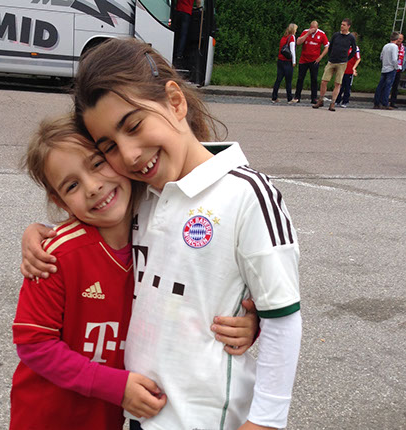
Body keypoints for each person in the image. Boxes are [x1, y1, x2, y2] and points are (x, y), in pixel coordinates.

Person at [24, 38, 302, 430]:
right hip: (142, 413)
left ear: (175, 101)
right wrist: (39, 233)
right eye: (110, 147)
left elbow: (282, 316)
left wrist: (267, 421)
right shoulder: (143, 196)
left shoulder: (247, 194)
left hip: (206, 419)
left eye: (134, 126)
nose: (129, 155)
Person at [12, 115, 259, 429]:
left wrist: (247, 325)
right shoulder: (53, 256)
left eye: (98, 164)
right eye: (72, 185)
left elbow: (197, 299)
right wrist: (116, 386)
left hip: (112, 417)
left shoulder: (160, 234)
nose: (93, 187)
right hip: (49, 419)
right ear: (58, 200)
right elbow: (34, 344)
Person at [313, 18, 357, 111]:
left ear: (348, 26)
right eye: (341, 24)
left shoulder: (351, 37)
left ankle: (333, 102)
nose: (342, 26)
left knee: (337, 83)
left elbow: (354, 50)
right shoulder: (336, 35)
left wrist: (347, 59)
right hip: (332, 61)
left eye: (344, 25)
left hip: (342, 63)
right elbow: (330, 46)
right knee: (324, 81)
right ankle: (320, 100)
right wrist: (330, 56)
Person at [291, 20, 330, 104]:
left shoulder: (321, 34)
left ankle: (314, 98)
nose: (312, 29)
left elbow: (327, 46)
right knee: (300, 78)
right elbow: (298, 42)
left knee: (314, 79)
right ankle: (297, 96)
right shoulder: (305, 32)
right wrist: (307, 34)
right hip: (304, 59)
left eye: (314, 28)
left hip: (314, 60)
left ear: (317, 27)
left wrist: (321, 57)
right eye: (311, 28)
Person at [271, 23, 297, 104]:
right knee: (288, 81)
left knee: (278, 79)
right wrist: (294, 61)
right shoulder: (291, 37)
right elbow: (292, 50)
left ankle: (274, 97)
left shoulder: (284, 37)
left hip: (280, 60)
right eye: (296, 29)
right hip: (287, 61)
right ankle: (289, 98)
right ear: (293, 30)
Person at [373, 31, 400, 110]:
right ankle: (385, 103)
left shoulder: (385, 46)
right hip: (391, 68)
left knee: (380, 86)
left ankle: (377, 102)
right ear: (397, 39)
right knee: (388, 87)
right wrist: (396, 67)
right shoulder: (395, 47)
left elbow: (381, 56)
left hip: (384, 68)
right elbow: (394, 59)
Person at [336, 32, 361, 108]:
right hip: (342, 68)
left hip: (349, 70)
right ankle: (337, 100)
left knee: (347, 86)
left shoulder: (355, 48)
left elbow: (358, 59)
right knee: (339, 85)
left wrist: (354, 68)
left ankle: (345, 101)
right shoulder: (344, 46)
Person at [173, 0, 195, 68]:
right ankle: (179, 56)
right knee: (183, 35)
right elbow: (198, 2)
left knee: (176, 33)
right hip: (187, 12)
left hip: (178, 10)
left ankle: (173, 51)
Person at [390, 33, 404, 109]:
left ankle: (393, 102)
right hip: (391, 68)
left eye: (401, 39)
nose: (399, 40)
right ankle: (383, 100)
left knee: (395, 87)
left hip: (399, 69)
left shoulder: (403, 48)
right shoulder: (392, 46)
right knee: (387, 85)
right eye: (398, 38)